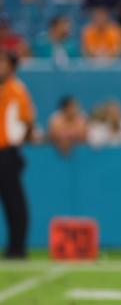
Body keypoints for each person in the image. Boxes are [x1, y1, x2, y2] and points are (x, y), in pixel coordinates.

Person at [0, 50, 34, 258]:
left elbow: (27, 121)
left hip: (6, 153)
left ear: (12, 67)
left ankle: (17, 248)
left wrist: (18, 144)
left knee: (14, 202)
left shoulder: (17, 90)